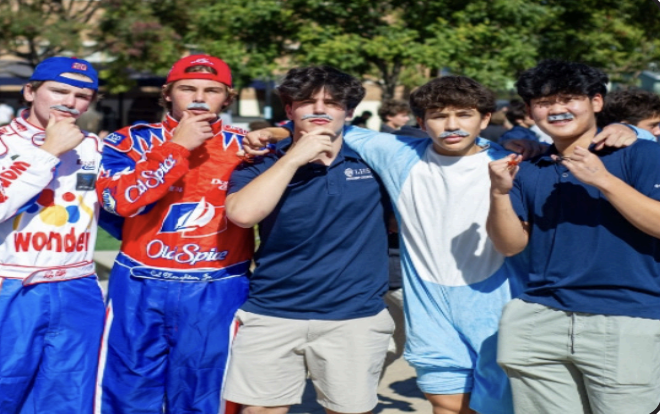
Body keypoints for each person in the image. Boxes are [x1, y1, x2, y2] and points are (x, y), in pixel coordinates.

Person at [241, 74, 646, 414]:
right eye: (438, 116)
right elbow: (330, 125)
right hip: (432, 303)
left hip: (500, 300)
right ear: (421, 121)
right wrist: (274, 130)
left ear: (484, 118)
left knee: (506, 402)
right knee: (446, 401)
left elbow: (577, 148)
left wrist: (631, 129)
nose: (452, 125)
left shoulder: (513, 160)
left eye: (464, 115)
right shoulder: (396, 152)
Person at [488, 60, 660, 414]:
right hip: (538, 319)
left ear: (597, 102)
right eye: (544, 102)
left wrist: (604, 180)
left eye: (568, 98)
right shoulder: (527, 167)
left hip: (625, 320)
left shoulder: (644, 154)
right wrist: (499, 193)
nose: (557, 109)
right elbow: (510, 245)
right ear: (531, 110)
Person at [222, 65, 393, 414]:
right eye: (305, 102)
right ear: (289, 110)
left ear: (349, 111)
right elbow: (241, 214)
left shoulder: (376, 160)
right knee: (259, 410)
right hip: (273, 311)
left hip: (354, 316)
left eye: (331, 103)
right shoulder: (260, 162)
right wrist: (293, 157)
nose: (318, 110)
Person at [95, 54, 254, 414]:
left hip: (217, 286)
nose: (199, 97)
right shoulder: (128, 142)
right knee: (128, 391)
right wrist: (178, 147)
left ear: (226, 99)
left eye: (211, 90)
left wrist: (278, 133)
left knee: (206, 393)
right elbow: (121, 202)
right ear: (168, 94)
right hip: (139, 283)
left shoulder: (247, 147)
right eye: (188, 88)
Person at [0, 57, 104, 414]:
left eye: (82, 95)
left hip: (77, 286)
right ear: (30, 91)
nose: (70, 102)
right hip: (4, 287)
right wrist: (48, 150)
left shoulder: (98, 149)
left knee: (70, 400)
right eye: (59, 90)